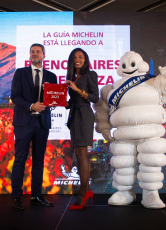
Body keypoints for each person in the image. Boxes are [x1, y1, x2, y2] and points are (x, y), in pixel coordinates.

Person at [11, 43, 57, 210]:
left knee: (38, 161)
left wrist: (50, 99)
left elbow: (54, 101)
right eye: (32, 52)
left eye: (38, 51)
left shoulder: (52, 76)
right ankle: (16, 197)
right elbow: (15, 97)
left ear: (44, 55)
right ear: (30, 55)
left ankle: (36, 195)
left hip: (42, 123)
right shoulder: (20, 73)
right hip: (23, 122)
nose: (35, 54)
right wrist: (31, 105)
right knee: (20, 160)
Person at [65, 48, 99, 210]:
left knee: (82, 154)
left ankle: (83, 194)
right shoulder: (72, 77)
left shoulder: (90, 74)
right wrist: (61, 101)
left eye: (81, 57)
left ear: (85, 60)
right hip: (74, 115)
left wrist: (78, 90)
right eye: (75, 57)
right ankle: (86, 191)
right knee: (79, 155)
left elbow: (95, 97)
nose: (78, 59)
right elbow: (72, 101)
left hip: (84, 115)